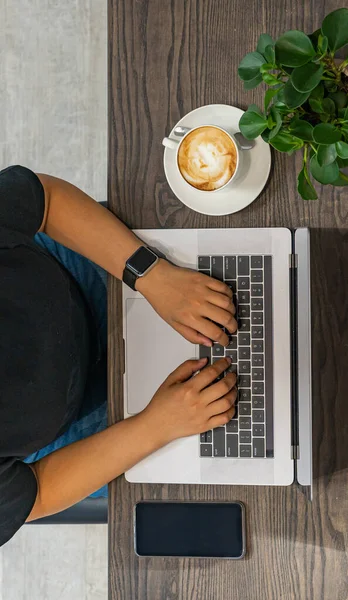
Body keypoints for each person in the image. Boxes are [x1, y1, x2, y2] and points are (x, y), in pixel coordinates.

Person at [0, 165, 238, 547]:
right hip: (76, 427)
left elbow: (45, 202)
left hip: (79, 271)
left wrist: (153, 276)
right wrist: (156, 427)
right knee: (228, 463)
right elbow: (39, 493)